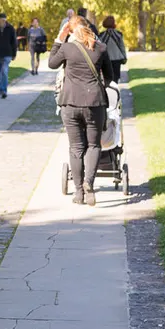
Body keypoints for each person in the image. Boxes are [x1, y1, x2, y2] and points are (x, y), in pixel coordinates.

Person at [48, 16, 113, 206]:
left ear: (70, 30)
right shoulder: (100, 48)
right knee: (93, 145)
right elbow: (110, 76)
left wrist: (59, 40)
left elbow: (52, 63)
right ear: (89, 28)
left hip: (70, 104)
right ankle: (89, 186)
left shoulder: (67, 48)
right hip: (94, 104)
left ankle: (78, 192)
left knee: (76, 148)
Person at [98, 16, 127, 83]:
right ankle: (115, 92)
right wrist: (124, 57)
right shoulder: (118, 34)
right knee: (115, 79)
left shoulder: (102, 35)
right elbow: (122, 47)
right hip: (117, 59)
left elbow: (99, 48)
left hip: (106, 60)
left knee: (107, 79)